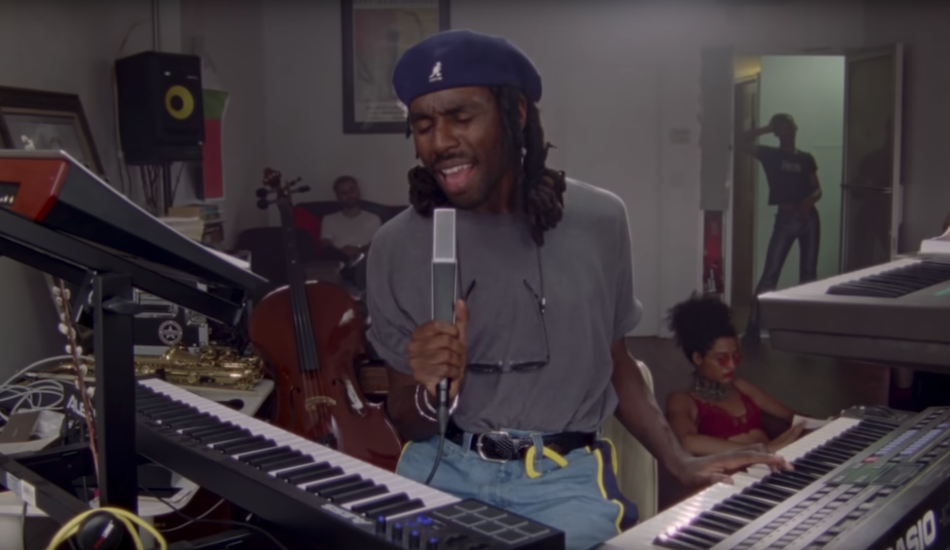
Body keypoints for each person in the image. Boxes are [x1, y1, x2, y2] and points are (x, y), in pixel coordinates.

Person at [365, 29, 787, 550]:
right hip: (443, 472)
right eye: (424, 125)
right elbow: (406, 418)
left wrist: (678, 459)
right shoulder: (396, 246)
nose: (440, 142)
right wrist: (431, 391)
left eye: (461, 117)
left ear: (517, 112)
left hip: (564, 481)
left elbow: (616, 362)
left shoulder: (600, 220)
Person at [665, 294, 805, 457]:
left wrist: (820, 426)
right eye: (721, 359)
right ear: (698, 358)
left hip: (777, 459)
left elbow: (791, 415)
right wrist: (761, 451)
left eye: (735, 356)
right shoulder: (682, 399)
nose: (732, 365)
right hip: (747, 468)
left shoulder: (740, 386)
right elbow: (687, 442)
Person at [740, 114, 822, 346]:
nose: (788, 132)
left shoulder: (806, 158)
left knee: (809, 274)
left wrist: (810, 200)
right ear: (777, 133)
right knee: (771, 273)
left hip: (810, 219)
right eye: (782, 129)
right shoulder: (770, 155)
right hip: (786, 219)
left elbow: (817, 189)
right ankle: (753, 327)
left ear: (795, 129)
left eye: (790, 127)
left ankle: (806, 326)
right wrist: (766, 128)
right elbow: (739, 142)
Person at [320, 175, 381, 261]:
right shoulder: (329, 219)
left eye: (352, 190)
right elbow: (325, 245)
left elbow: (378, 244)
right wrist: (341, 253)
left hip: (365, 259)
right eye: (344, 193)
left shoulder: (373, 218)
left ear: (358, 191)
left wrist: (358, 249)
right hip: (339, 259)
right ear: (337, 196)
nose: (349, 195)